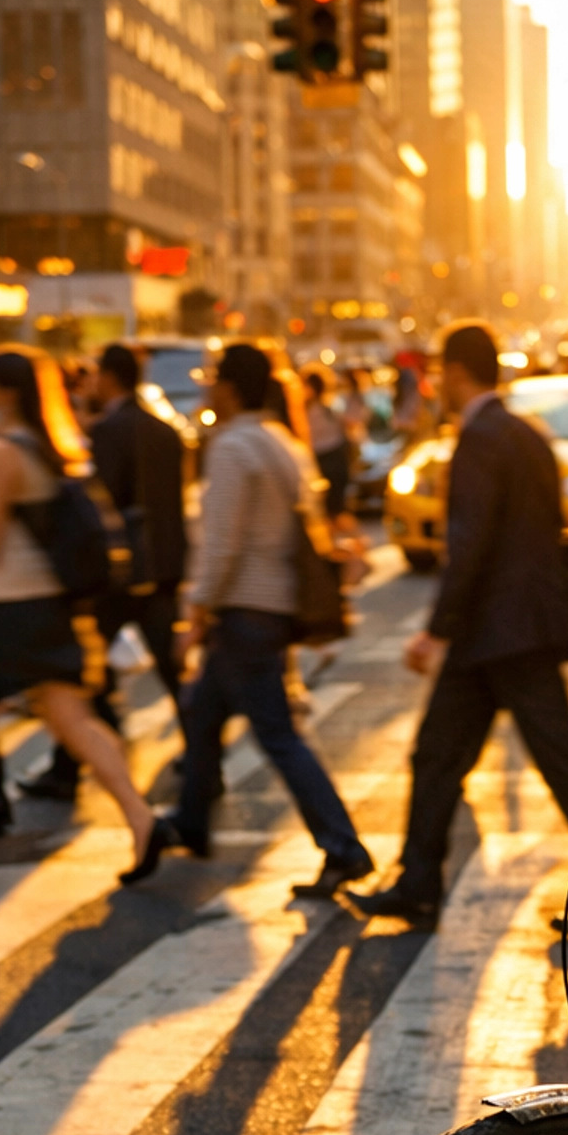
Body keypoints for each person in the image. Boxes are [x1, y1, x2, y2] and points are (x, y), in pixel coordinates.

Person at [348, 322, 568, 935]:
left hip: (499, 633)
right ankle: (418, 883)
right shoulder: (524, 433)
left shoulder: (481, 438)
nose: (434, 384)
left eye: (438, 372)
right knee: (439, 755)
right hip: (512, 630)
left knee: (554, 758)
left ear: (458, 372)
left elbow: (471, 544)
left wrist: (436, 629)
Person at [0, 345, 169, 888]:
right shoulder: (52, 445)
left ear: (3, 393)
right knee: (73, 720)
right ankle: (143, 820)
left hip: (13, 608)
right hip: (53, 606)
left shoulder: (4, 450)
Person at [161, 341, 372, 896]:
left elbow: (222, 545)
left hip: (246, 613)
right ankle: (191, 821)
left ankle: (343, 845)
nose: (205, 386)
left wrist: (195, 613)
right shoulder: (281, 441)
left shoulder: (232, 448)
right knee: (202, 714)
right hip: (270, 608)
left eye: (211, 378)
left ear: (229, 388)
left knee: (277, 736)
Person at [17, 341, 187, 801]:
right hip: (164, 569)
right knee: (173, 673)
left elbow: (99, 508)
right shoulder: (165, 430)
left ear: (110, 377)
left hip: (120, 575)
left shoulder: (110, 431)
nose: (90, 383)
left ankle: (68, 767)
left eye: (94, 375)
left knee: (81, 670)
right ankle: (200, 758)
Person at [303, 367, 355, 519]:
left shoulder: (308, 412)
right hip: (336, 461)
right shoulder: (330, 411)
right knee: (336, 512)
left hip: (322, 464)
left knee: (327, 514)